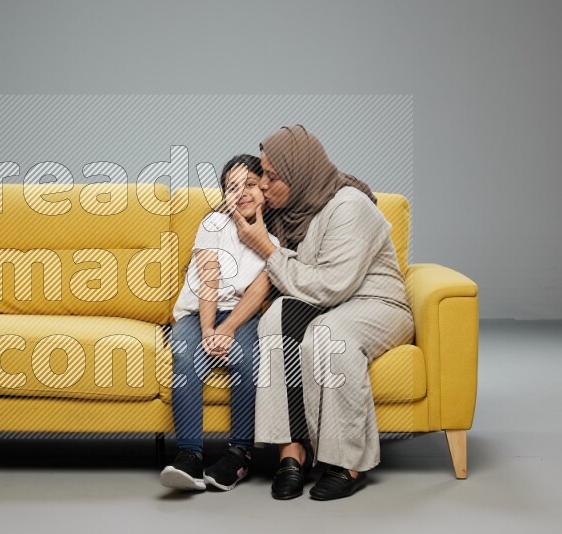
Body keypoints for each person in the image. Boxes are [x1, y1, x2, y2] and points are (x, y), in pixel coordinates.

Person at [231, 125, 415, 500]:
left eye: (272, 176)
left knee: (327, 337)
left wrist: (266, 249)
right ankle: (291, 450)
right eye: (262, 174)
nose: (263, 185)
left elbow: (332, 285)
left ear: (300, 173)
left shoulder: (349, 206)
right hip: (329, 304)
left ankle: (346, 461)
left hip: (375, 304)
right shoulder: (293, 210)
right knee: (274, 320)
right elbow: (302, 283)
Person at [160, 154, 280, 492]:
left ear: (265, 189)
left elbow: (258, 292)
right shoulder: (213, 224)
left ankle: (239, 454)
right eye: (233, 188)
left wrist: (228, 330)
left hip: (242, 315)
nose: (242, 193)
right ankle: (189, 456)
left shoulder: (276, 239)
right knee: (186, 357)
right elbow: (209, 279)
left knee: (246, 358)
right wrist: (209, 330)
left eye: (251, 185)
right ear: (224, 195)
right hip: (200, 312)